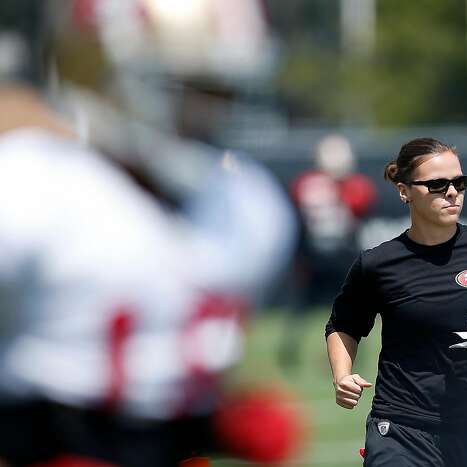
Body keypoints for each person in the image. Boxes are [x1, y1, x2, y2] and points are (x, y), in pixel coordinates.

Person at [0, 3, 298, 465]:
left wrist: (216, 421)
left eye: (220, 90)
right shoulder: (32, 186)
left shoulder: (246, 205)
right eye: (187, 89)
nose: (206, 113)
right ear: (103, 73)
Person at [325, 137, 467, 467]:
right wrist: (342, 375)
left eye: (459, 182)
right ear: (404, 191)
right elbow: (343, 325)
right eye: (437, 184)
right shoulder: (378, 263)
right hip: (401, 429)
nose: (452, 192)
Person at [279, 134, 376, 370]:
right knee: (352, 308)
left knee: (302, 307)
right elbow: (358, 217)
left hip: (314, 254)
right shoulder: (356, 187)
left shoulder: (305, 184)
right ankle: (352, 355)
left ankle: (288, 354)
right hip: (341, 254)